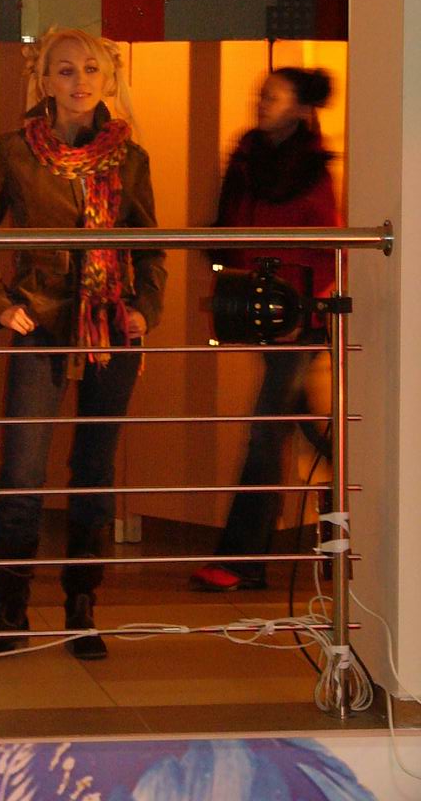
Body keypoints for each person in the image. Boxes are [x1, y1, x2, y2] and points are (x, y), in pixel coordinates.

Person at [0, 27, 167, 660]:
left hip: (112, 327)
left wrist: (144, 309)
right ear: (44, 81)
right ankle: (9, 613)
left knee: (93, 470)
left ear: (108, 78)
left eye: (91, 69)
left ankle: (82, 608)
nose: (80, 81)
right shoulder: (15, 151)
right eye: (66, 70)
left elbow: (150, 248)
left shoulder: (130, 157)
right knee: (21, 472)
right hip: (43, 321)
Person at [191, 66, 340, 592]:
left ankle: (242, 558)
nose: (261, 103)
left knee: (265, 430)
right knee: (303, 426)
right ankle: (358, 497)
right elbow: (231, 230)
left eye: (273, 97)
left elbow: (327, 250)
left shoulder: (313, 172)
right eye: (261, 95)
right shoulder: (247, 158)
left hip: (300, 319)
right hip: (257, 312)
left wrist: (298, 309)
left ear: (299, 108)